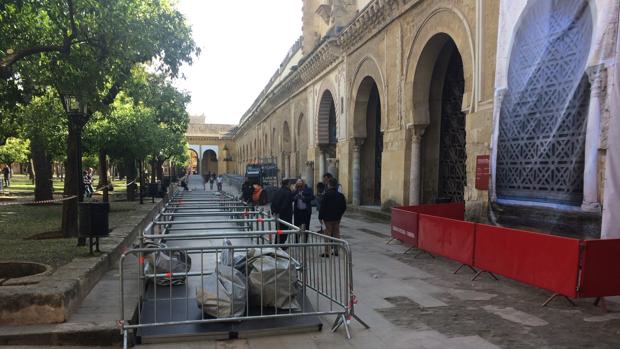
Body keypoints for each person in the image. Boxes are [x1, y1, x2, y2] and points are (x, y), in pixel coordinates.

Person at [319, 177, 347, 257]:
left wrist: (320, 217)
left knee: (327, 235)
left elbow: (322, 207)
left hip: (327, 219)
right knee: (336, 234)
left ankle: (327, 252)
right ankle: (336, 250)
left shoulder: (326, 195)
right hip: (337, 218)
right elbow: (344, 207)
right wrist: (340, 215)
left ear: (329, 185)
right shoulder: (340, 195)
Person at [270, 180, 293, 244]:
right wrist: (281, 212)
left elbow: (273, 202)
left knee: (279, 230)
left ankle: (277, 243)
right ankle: (280, 245)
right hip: (285, 216)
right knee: (284, 231)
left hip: (278, 215)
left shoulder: (277, 191)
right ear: (287, 184)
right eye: (289, 184)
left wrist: (274, 212)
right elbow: (285, 205)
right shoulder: (288, 192)